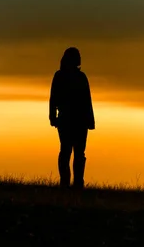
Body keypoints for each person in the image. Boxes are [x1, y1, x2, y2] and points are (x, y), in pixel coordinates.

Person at [49, 47, 95, 189]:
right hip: (73, 120)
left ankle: (73, 183)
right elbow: (54, 99)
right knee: (71, 151)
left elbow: (87, 100)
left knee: (71, 151)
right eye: (77, 56)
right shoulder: (75, 77)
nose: (80, 58)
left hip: (72, 120)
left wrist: (53, 117)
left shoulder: (63, 76)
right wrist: (52, 117)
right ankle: (72, 183)